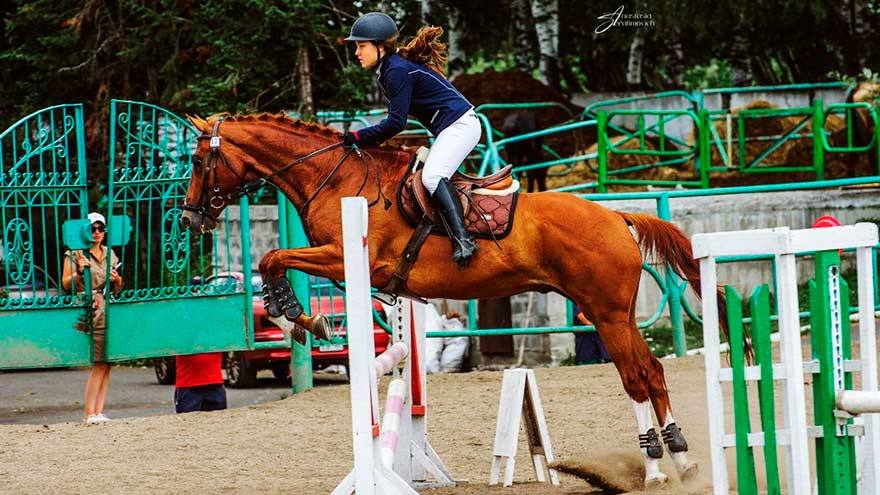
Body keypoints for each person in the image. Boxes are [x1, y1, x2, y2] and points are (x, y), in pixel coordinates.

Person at [342, 13, 481, 267]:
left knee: (431, 177)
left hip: (461, 126)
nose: (357, 53)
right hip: (452, 127)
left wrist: (357, 137)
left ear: (380, 46)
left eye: (361, 46)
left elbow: (396, 123)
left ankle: (463, 240)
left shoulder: (395, 70)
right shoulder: (390, 68)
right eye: (357, 47)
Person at [61, 212, 123, 425]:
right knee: (98, 362)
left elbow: (119, 286)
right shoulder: (75, 253)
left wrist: (117, 280)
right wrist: (80, 272)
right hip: (91, 309)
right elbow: (66, 283)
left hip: (109, 308)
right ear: (85, 230)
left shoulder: (110, 253)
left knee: (108, 362)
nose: (96, 233)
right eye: (92, 228)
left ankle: (99, 410)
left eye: (100, 228)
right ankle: (89, 413)